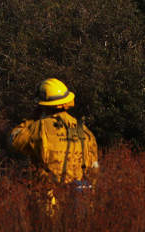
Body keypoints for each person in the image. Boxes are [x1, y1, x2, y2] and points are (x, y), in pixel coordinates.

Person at [8, 78, 99, 213]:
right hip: (79, 201)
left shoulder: (39, 127)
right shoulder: (81, 129)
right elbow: (93, 167)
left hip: (48, 203)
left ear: (43, 105)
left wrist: (32, 118)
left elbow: (14, 140)